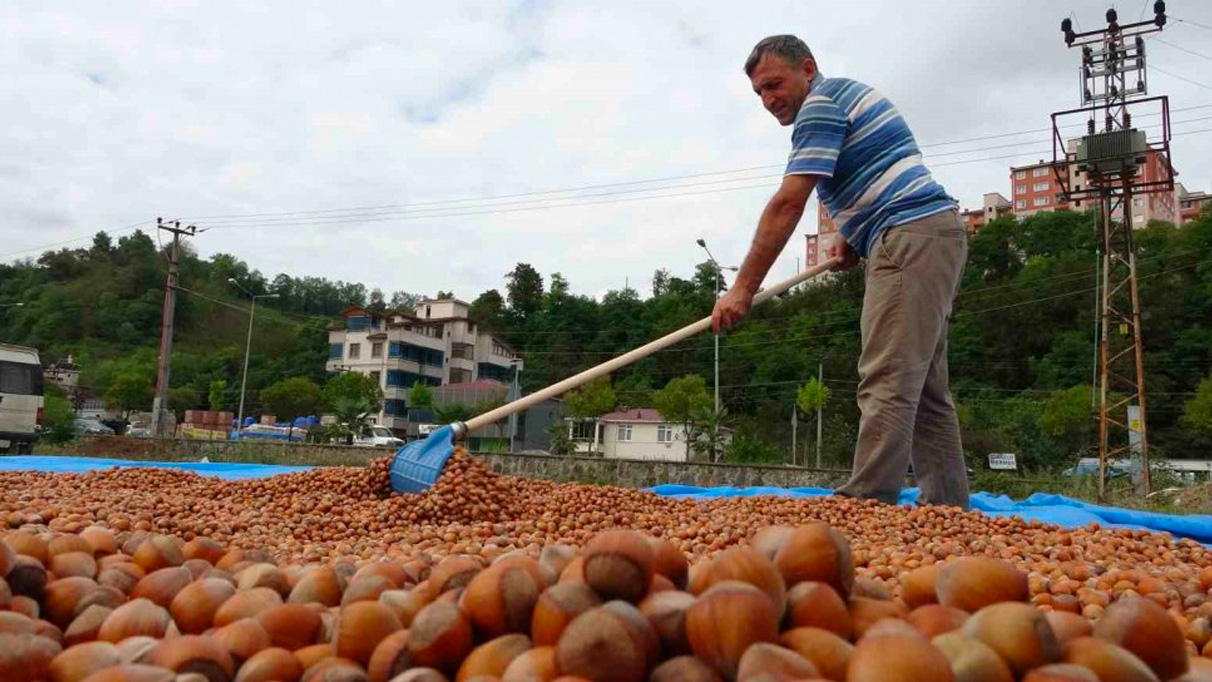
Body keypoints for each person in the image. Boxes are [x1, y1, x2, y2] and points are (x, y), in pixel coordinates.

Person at [710, 35, 970, 509]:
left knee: (888, 377)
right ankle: (947, 509)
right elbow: (880, 165)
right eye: (759, 93)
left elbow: (788, 203)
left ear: (807, 69)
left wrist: (743, 288)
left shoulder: (819, 108)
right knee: (925, 389)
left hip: (908, 237)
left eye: (774, 84)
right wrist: (855, 231)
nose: (768, 101)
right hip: (932, 233)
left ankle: (865, 504)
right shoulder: (847, 94)